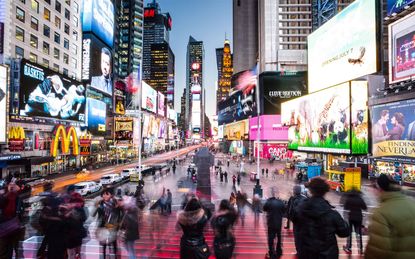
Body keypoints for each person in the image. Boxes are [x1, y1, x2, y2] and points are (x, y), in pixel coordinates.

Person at [297, 177, 349, 259]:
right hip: (328, 254)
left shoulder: (302, 210)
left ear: (310, 190)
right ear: (325, 191)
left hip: (307, 253)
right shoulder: (332, 213)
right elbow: (344, 232)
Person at [365, 174, 415, 259]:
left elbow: (377, 251)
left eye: (374, 187)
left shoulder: (380, 213)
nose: (372, 191)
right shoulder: (412, 204)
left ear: (380, 189)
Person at [93, 187, 122, 259]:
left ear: (111, 195)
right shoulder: (100, 204)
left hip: (112, 227)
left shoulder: (116, 205)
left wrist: (118, 226)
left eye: (107, 194)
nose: (104, 196)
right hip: (102, 228)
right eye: (103, 194)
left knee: (113, 245)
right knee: (103, 246)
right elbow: (93, 215)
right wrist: (96, 206)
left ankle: (115, 256)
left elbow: (120, 216)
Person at [0, 180, 25, 259]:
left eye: (13, 185)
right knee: (7, 249)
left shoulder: (16, 196)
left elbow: (21, 208)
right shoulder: (5, 195)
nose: (12, 186)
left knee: (15, 249)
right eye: (10, 185)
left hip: (11, 226)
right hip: (8, 226)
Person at [63, 185, 87, 259]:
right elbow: (84, 218)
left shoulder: (77, 209)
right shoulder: (66, 209)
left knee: (73, 254)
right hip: (72, 234)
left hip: (73, 234)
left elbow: (83, 218)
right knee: (74, 253)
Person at [342, 188, 367, 254]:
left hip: (350, 217)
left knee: (349, 233)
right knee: (358, 233)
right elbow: (365, 207)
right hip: (359, 217)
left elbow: (346, 208)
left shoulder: (349, 199)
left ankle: (348, 248)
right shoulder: (360, 199)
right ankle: (360, 248)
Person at [263, 188, 286, 259]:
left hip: (271, 223)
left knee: (270, 238)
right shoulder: (281, 202)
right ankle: (278, 251)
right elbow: (284, 210)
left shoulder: (269, 202)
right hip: (279, 222)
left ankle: (271, 252)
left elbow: (264, 208)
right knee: (279, 237)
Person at [285, 185, 306, 255]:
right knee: (302, 237)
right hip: (303, 222)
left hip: (297, 222)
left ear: (294, 191)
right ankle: (301, 251)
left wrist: (290, 217)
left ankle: (299, 252)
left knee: (297, 238)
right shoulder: (305, 198)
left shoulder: (292, 199)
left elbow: (290, 210)